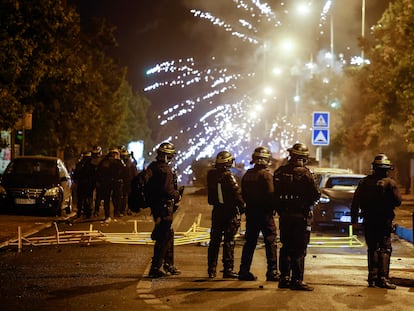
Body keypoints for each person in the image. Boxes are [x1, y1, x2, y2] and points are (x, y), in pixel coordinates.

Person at [351, 153, 402, 289]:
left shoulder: (364, 182)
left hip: (368, 220)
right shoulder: (390, 183)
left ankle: (372, 279)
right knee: (384, 248)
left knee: (372, 248)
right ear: (386, 168)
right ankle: (383, 278)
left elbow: (355, 202)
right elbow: (398, 202)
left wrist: (354, 219)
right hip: (384, 221)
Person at [273, 143, 320, 291]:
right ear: (303, 158)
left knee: (286, 247)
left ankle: (284, 278)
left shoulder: (280, 172)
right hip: (300, 216)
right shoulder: (306, 173)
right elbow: (315, 194)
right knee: (299, 249)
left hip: (285, 216)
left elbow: (273, 194)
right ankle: (297, 280)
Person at [238, 146, 279, 282]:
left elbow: (242, 193)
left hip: (251, 213)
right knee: (270, 241)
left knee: (250, 242)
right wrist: (274, 208)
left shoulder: (247, 175)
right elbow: (271, 195)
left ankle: (243, 271)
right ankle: (272, 272)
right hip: (265, 214)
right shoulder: (267, 176)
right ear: (267, 160)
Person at [206, 151, 244, 279]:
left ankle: (211, 270)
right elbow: (236, 193)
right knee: (229, 241)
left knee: (214, 241)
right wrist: (243, 207)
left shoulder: (211, 175)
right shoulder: (229, 176)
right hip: (229, 212)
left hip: (217, 211)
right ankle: (228, 269)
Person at [147, 142, 182, 278]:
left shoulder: (153, 167)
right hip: (164, 207)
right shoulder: (165, 170)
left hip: (156, 206)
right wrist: (177, 195)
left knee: (168, 234)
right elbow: (167, 190)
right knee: (164, 236)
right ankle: (155, 268)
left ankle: (169, 265)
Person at [94, 148, 125, 221]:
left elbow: (124, 170)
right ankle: (107, 214)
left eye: (115, 153)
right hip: (107, 182)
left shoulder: (119, 161)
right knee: (106, 199)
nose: (114, 155)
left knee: (116, 198)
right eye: (113, 153)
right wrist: (99, 180)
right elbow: (100, 171)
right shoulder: (105, 161)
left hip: (116, 182)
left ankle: (116, 212)